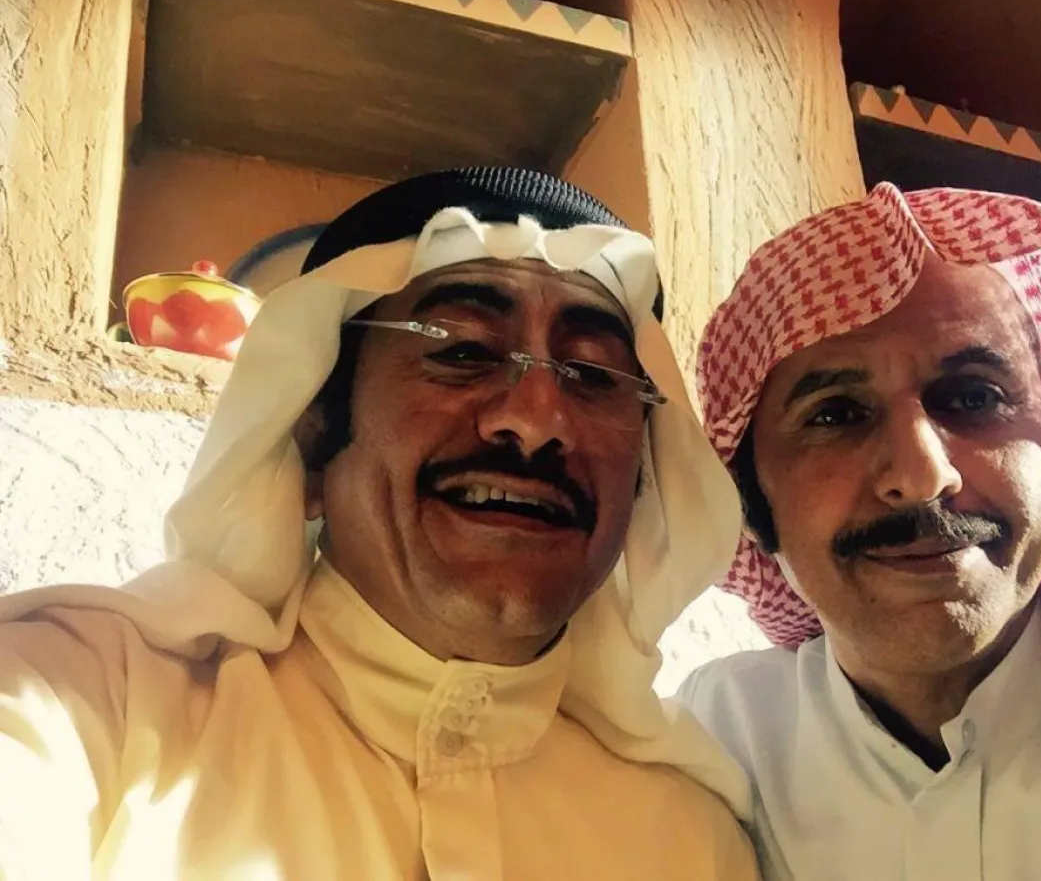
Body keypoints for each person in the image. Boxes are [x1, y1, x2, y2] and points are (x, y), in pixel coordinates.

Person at [0, 167, 759, 879]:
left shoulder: (691, 840)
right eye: (462, 350)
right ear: (315, 442)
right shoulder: (88, 701)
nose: (534, 421)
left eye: (592, 374)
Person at [679, 183, 1041, 881]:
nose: (923, 476)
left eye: (975, 398)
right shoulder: (714, 743)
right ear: (751, 497)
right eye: (835, 415)